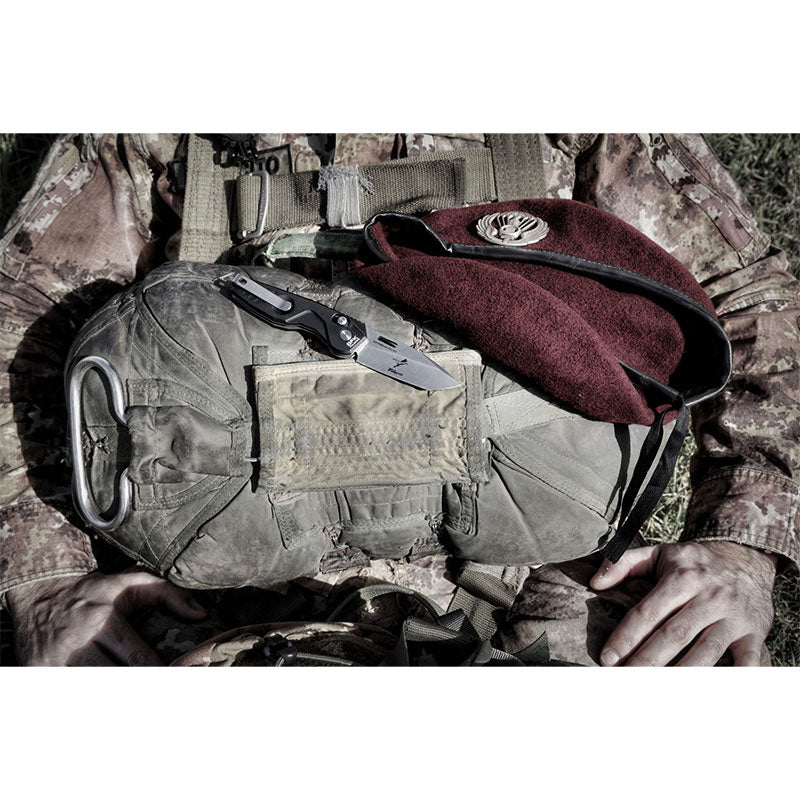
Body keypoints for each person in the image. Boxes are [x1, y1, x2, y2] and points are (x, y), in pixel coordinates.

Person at [1, 134, 796, 666]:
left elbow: (752, 301)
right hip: (221, 600)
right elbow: (19, 313)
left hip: (545, 581)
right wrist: (44, 581)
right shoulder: (162, 126)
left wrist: (740, 546)